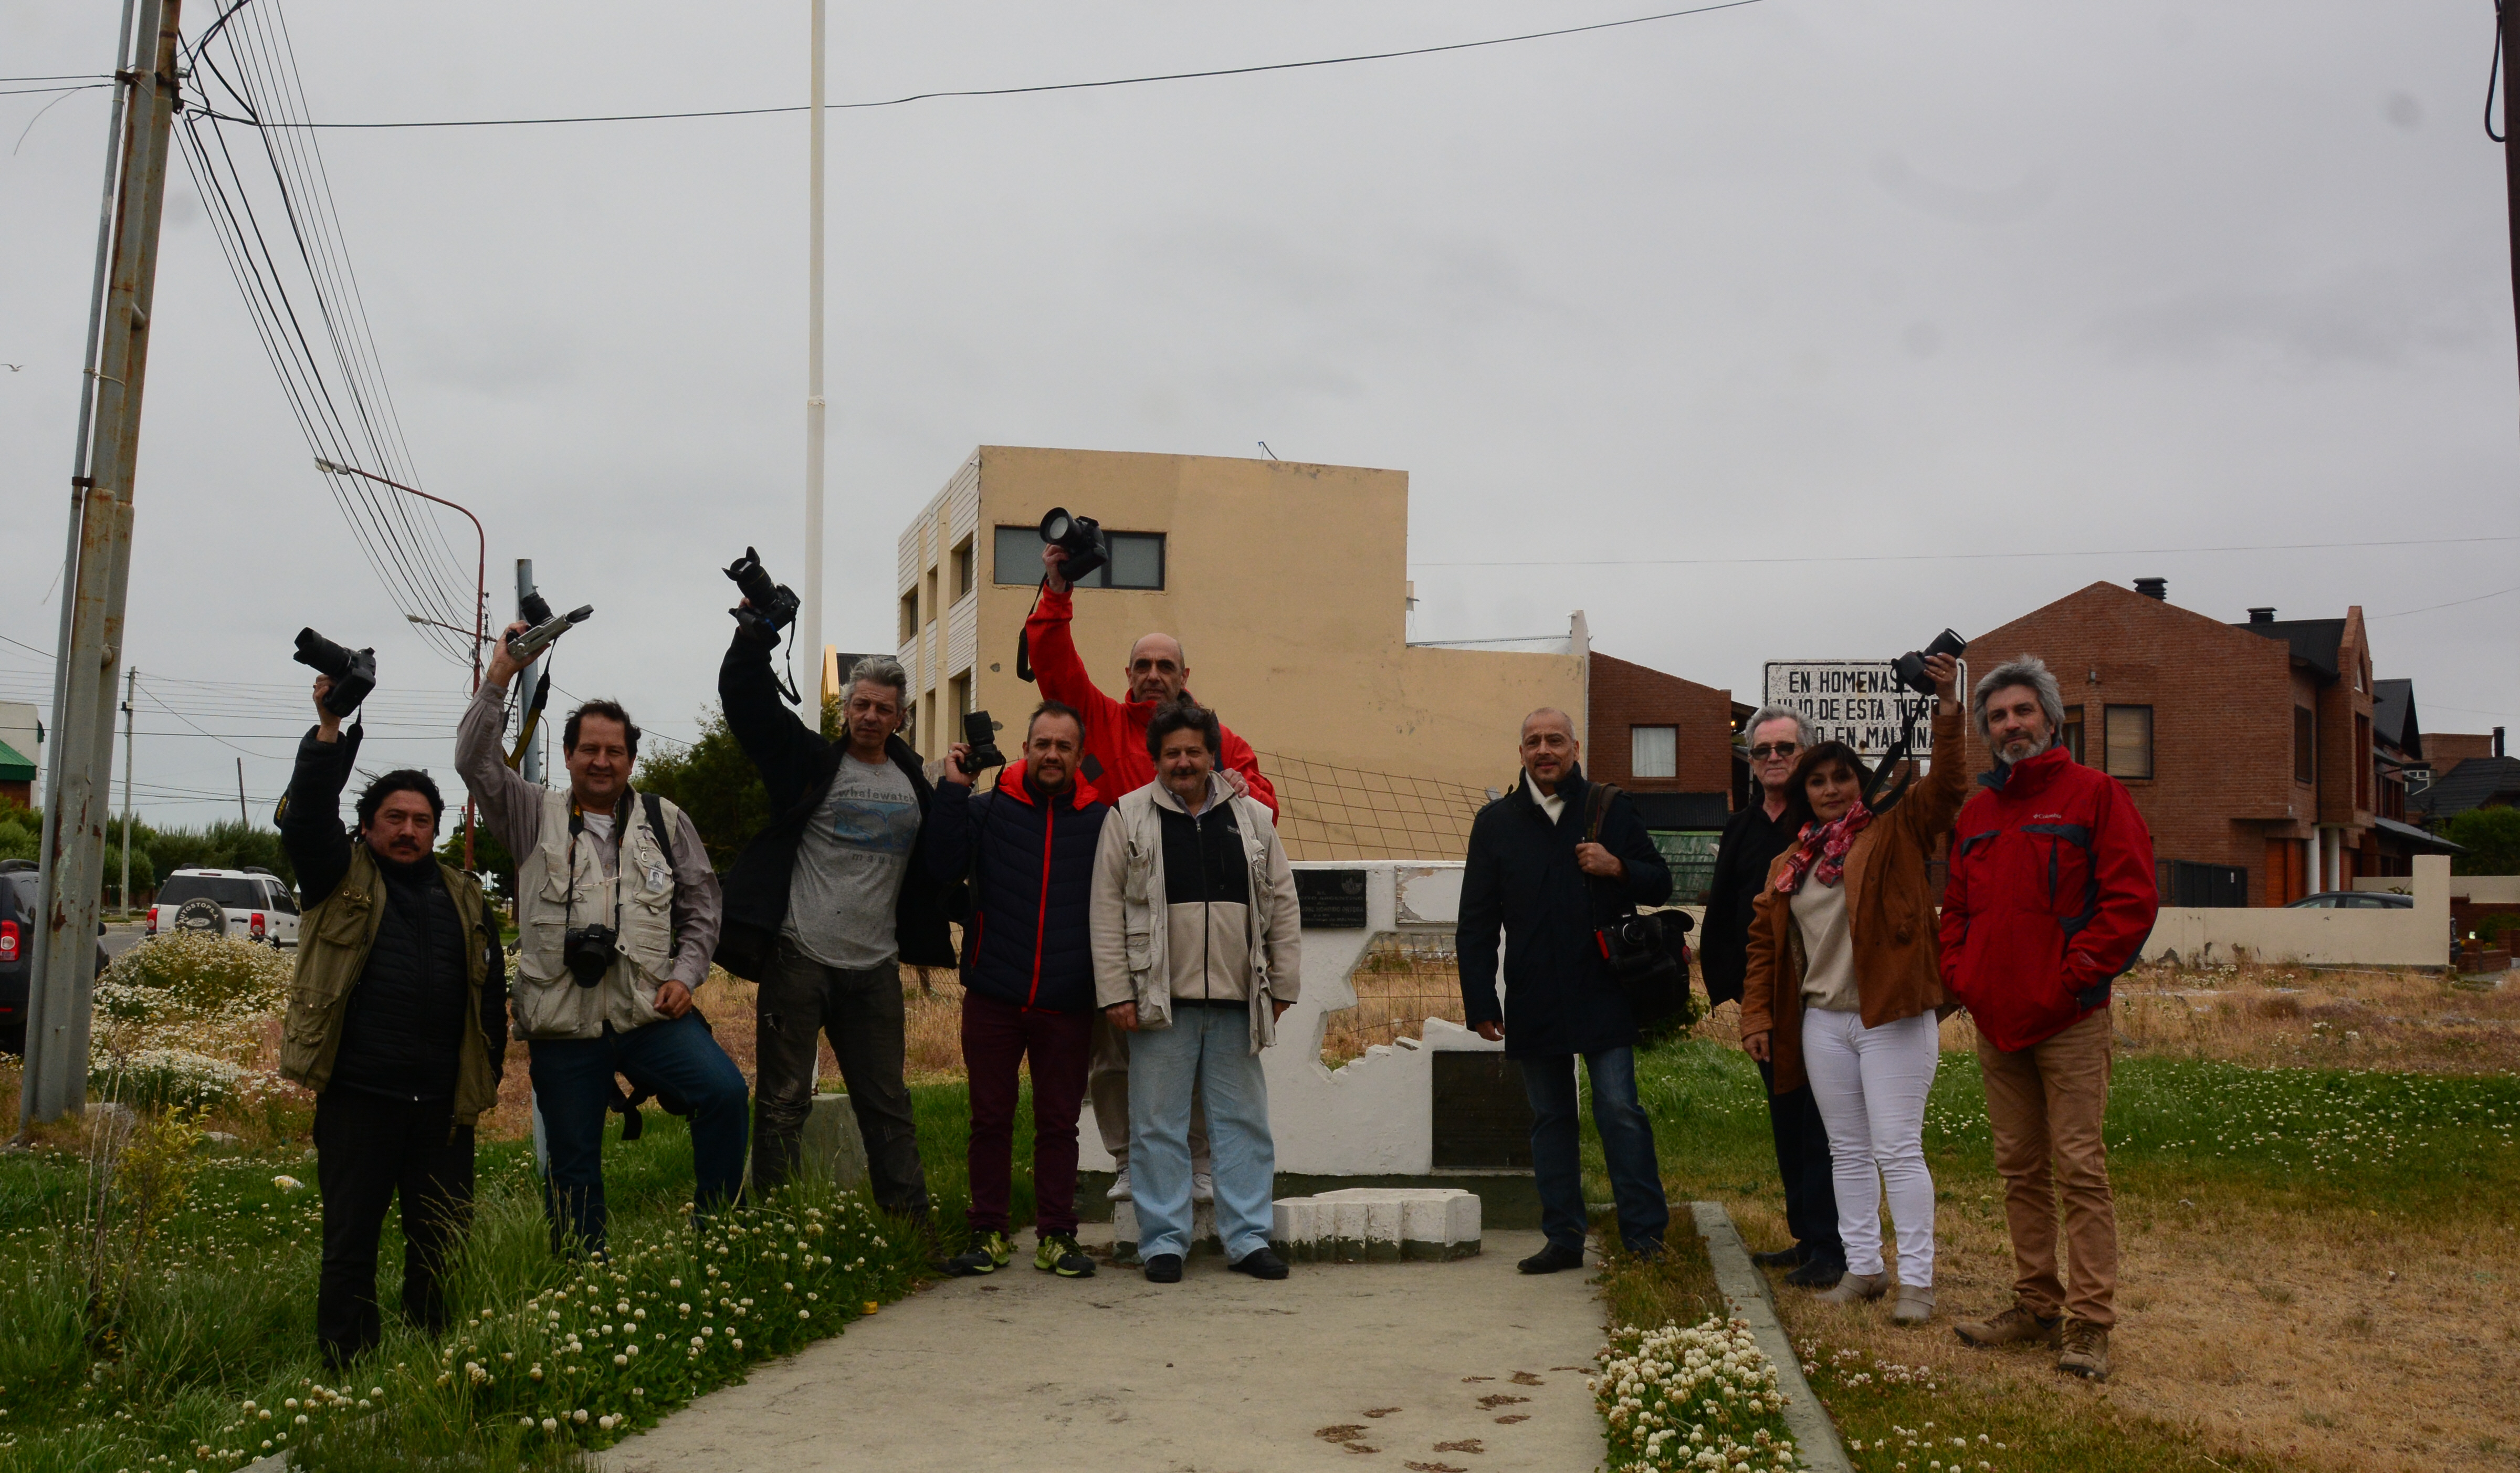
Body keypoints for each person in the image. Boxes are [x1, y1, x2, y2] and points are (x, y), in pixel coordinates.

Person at [459, 633, 744, 1256]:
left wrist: (687, 976)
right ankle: (584, 1276)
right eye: (588, 748)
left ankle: (720, 1239)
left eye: (614, 751)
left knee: (724, 1093)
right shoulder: (529, 812)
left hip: (648, 1013)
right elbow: (474, 763)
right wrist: (500, 675)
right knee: (573, 1162)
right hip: (563, 1025)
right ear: (566, 756)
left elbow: (703, 906)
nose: (601, 761)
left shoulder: (667, 822)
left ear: (630, 761)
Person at [1027, 542, 1274, 1203]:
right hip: (1117, 926)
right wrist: (1056, 589)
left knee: (1191, 1056)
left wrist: (1224, 791)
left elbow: (1263, 805)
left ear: (1186, 673)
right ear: (1128, 673)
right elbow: (1052, 663)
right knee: (1112, 1054)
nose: (1155, 675)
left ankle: (1197, 1164)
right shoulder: (1101, 722)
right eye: (1144, 665)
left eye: (1167, 665)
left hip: (1196, 932)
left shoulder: (1217, 738)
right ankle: (1128, 1162)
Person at [280, 675, 506, 1365]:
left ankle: (430, 1352)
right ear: (369, 826)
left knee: (440, 1238)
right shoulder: (336, 878)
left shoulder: (465, 897)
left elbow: (491, 997)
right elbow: (304, 818)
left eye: (421, 821)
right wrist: (328, 729)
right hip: (359, 1099)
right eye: (394, 819)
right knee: (352, 1239)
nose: (408, 830)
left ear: (437, 830)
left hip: (441, 1106)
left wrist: (484, 1079)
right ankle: (347, 1365)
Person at [1944, 656, 2157, 1383]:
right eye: (1998, 716)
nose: (2011, 725)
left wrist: (2076, 977)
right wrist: (1961, 977)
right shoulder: (1976, 814)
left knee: (2080, 1169)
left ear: (2051, 716)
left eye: (2022, 711)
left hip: (2068, 1017)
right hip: (1997, 1022)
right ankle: (2036, 1303)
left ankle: (2090, 1324)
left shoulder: (2094, 795)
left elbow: (2130, 900)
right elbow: (1959, 911)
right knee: (2019, 1169)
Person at [1740, 654, 1966, 1328]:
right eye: (1820, 781)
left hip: (1891, 1015)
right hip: (1822, 1022)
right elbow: (1763, 944)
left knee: (1897, 1148)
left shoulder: (1894, 831)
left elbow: (1949, 786)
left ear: (1859, 783)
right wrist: (1756, 1013)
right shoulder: (1792, 862)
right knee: (1846, 1150)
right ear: (1804, 792)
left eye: (1842, 778)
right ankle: (1864, 1268)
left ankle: (1917, 1283)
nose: (1832, 790)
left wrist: (1948, 705)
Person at [717, 636, 957, 1222]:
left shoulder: (915, 784)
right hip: (800, 957)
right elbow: (750, 708)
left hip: (875, 967)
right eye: (861, 705)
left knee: (888, 1104)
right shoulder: (811, 765)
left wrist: (956, 792)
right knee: (782, 1102)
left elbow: (948, 859)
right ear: (846, 708)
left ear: (902, 717)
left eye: (884, 709)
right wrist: (751, 641)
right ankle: (772, 1228)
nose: (871, 717)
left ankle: (910, 1226)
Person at [1090, 700, 1301, 1284]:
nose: (1184, 762)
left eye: (1194, 751)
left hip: (1237, 1000)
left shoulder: (1254, 819)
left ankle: (1249, 1238)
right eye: (1172, 753)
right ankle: (1163, 1243)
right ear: (1157, 759)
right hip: (1160, 1002)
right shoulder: (1127, 816)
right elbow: (1106, 912)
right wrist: (1116, 992)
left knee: (1243, 1124)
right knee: (1156, 1124)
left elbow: (1282, 902)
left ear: (1213, 756)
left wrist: (1282, 984)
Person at [1456, 707, 1674, 1274]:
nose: (1544, 749)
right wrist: (1481, 1001)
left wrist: (1618, 866)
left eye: (1555, 740)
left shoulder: (1608, 808)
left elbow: (1662, 880)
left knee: (1620, 1110)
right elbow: (1476, 922)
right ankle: (1563, 1239)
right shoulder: (1496, 823)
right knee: (1551, 1120)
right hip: (1533, 995)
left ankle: (1645, 1237)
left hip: (1605, 989)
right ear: (1522, 752)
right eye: (1534, 741)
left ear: (1575, 748)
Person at [923, 701, 1109, 1279]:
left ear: (1079, 756)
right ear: (1026, 748)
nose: (1051, 754)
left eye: (1064, 746)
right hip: (995, 995)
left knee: (1059, 1125)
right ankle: (988, 1232)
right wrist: (953, 792)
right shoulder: (988, 808)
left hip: (1068, 999)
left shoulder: (1102, 819)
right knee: (990, 1120)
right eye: (1042, 744)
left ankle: (1058, 1235)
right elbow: (939, 868)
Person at [1700, 705, 1845, 1290]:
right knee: (1788, 1120)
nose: (1774, 759)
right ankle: (1806, 1237)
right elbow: (1730, 912)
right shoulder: (1742, 826)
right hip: (1766, 1006)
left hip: (1823, 1001)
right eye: (1762, 751)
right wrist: (1736, 996)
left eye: (1786, 749)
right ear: (1751, 763)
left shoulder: (1827, 824)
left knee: (1823, 1125)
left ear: (1806, 753)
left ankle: (1834, 1245)